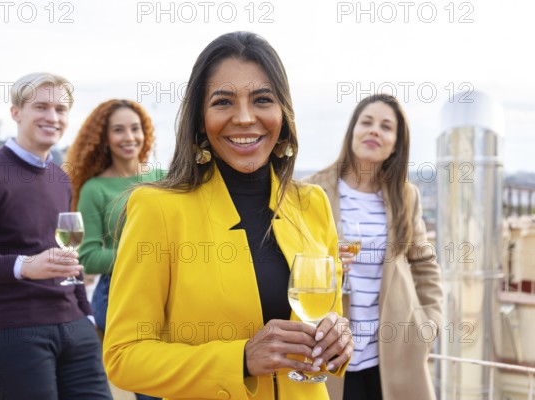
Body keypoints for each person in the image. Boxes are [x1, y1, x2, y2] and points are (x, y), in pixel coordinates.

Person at [102, 31, 354, 400]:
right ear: (200, 119)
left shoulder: (313, 204)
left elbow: (328, 317)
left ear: (282, 113)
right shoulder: (155, 208)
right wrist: (240, 360)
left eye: (262, 99)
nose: (245, 117)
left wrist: (339, 338)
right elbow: (123, 357)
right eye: (223, 102)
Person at [0, 73, 112, 400]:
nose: (52, 117)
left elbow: (67, 257)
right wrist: (24, 266)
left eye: (60, 109)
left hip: (76, 330)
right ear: (16, 112)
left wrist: (85, 314)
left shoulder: (60, 178)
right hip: (16, 334)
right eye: (41, 106)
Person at [304, 94, 443, 400]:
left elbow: (424, 265)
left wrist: (429, 323)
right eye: (366, 122)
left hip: (393, 357)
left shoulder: (406, 196)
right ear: (352, 131)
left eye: (386, 126)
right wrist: (326, 260)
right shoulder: (312, 192)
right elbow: (293, 262)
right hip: (329, 353)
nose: (374, 131)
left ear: (396, 143)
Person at [65, 99, 163, 400]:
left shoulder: (163, 178)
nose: (129, 137)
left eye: (135, 128)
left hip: (168, 289)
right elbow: (88, 256)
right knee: (152, 387)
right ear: (104, 138)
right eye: (118, 130)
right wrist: (145, 255)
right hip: (119, 294)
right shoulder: (95, 189)